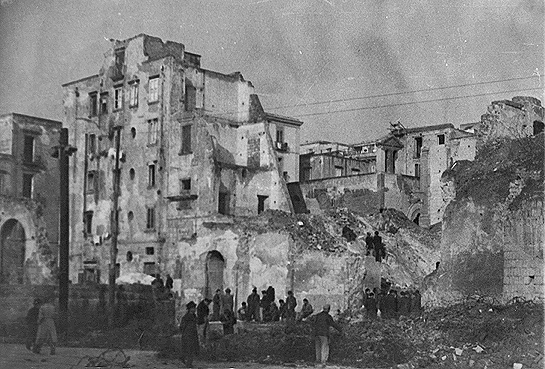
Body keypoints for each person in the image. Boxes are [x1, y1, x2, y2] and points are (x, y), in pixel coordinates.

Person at [180, 301, 199, 368]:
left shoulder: (194, 316)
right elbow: (182, 326)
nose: (195, 309)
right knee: (189, 349)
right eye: (194, 308)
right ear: (190, 309)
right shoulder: (186, 317)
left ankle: (187, 362)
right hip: (187, 335)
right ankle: (188, 363)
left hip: (193, 334)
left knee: (191, 349)